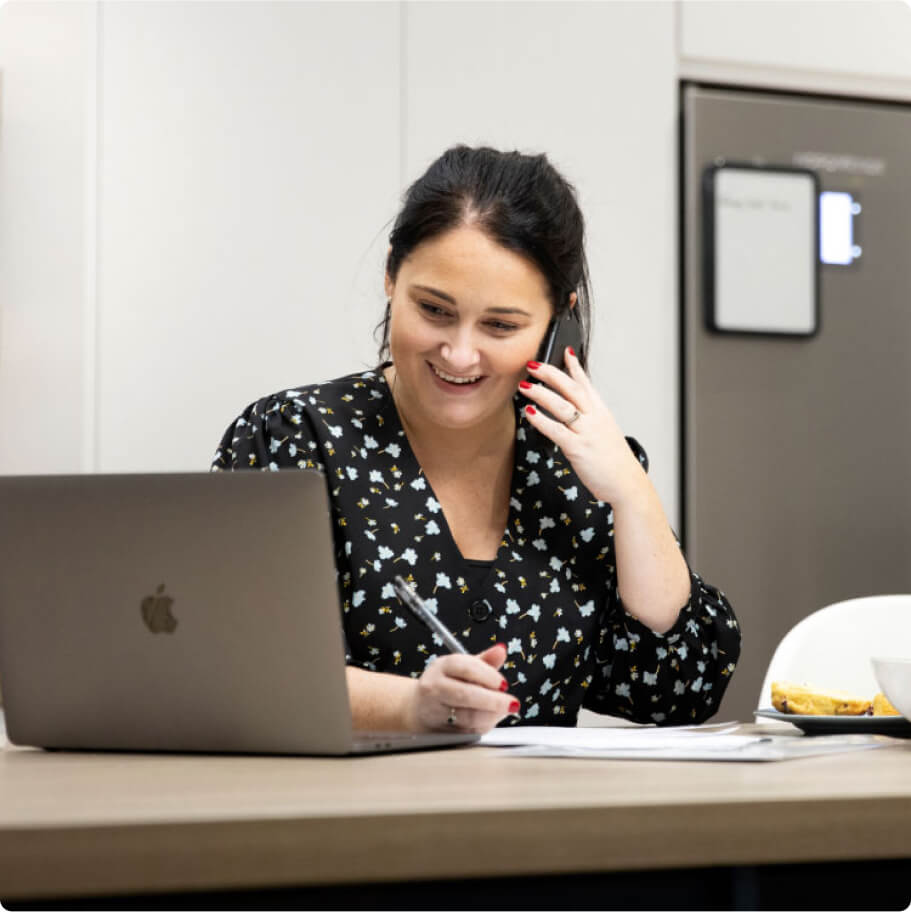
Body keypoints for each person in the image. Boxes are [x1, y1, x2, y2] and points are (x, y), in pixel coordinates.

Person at [213, 145, 741, 734]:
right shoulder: (294, 439)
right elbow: (238, 671)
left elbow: (678, 691)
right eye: (434, 310)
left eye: (500, 325)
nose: (460, 354)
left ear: (558, 320)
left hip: (538, 799)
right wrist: (412, 706)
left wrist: (633, 495)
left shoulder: (578, 468)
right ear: (391, 276)